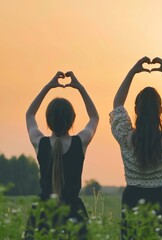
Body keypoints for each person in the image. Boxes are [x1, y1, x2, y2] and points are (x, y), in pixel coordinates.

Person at [110, 57, 162, 240]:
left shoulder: (125, 135)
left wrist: (132, 72)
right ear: (160, 110)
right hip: (161, 198)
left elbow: (118, 105)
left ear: (136, 110)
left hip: (132, 197)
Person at [25, 71, 99, 239]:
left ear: (48, 120)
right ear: (73, 118)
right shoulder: (80, 142)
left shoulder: (39, 143)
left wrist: (48, 87)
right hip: (74, 214)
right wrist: (79, 87)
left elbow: (29, 115)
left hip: (42, 214)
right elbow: (94, 116)